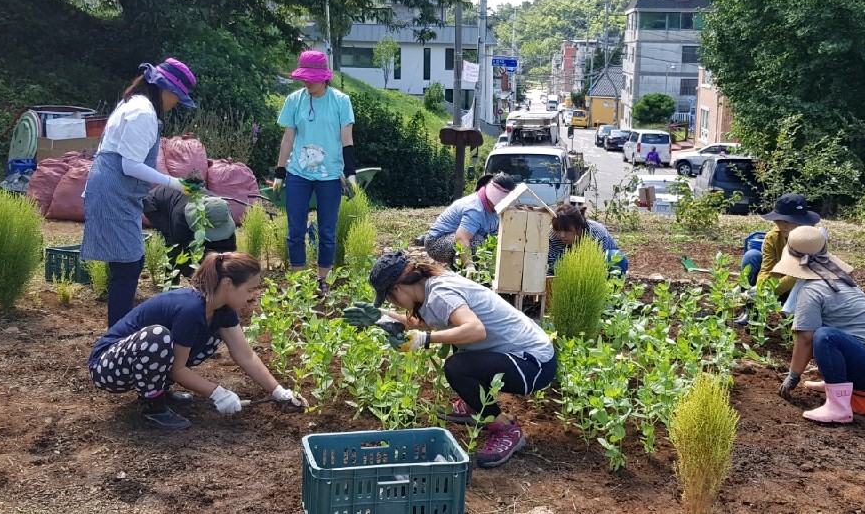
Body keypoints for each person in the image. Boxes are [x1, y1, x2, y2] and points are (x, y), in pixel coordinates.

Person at [343, 251, 556, 468]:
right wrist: (382, 316)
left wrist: (425, 339)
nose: (394, 304)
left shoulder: (441, 293)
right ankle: (475, 405)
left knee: (458, 368)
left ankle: (505, 427)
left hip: (533, 364)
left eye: (390, 299)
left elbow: (475, 330)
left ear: (397, 288)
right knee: (460, 354)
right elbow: (423, 323)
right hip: (520, 357)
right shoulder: (429, 288)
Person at [88, 252, 307, 430]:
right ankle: (153, 407)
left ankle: (160, 391)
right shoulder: (191, 309)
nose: (253, 296)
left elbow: (246, 355)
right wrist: (217, 392)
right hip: (108, 368)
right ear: (228, 283)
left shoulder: (222, 309)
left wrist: (279, 392)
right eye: (250, 290)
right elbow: (177, 369)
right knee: (158, 337)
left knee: (209, 339)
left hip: (136, 364)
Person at [83, 58, 201, 326]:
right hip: (113, 190)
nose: (174, 106)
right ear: (166, 90)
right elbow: (130, 164)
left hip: (115, 189)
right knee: (128, 266)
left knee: (127, 265)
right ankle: (118, 337)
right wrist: (175, 183)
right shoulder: (144, 113)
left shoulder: (135, 104)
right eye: (177, 99)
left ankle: (119, 331)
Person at [774, 227, 865, 423]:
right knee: (828, 333)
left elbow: (805, 339)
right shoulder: (840, 279)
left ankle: (838, 408)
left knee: (825, 337)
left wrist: (793, 377)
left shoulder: (811, 291)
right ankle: (836, 383)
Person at [271, 50, 356, 295]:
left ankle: (322, 280)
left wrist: (350, 172)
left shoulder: (340, 101)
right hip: (298, 174)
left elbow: (346, 138)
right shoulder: (294, 100)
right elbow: (288, 138)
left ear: (324, 77)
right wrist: (280, 171)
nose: (306, 82)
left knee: (327, 230)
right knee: (295, 229)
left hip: (330, 175)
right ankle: (299, 281)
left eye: (311, 78)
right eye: (304, 78)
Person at [419, 173, 517, 275]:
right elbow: (461, 237)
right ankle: (463, 271)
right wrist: (469, 265)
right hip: (437, 243)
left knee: (495, 238)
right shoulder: (475, 209)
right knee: (478, 241)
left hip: (455, 239)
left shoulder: (495, 207)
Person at [143, 186, 237, 279]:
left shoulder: (222, 210)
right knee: (172, 245)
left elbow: (228, 248)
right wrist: (198, 280)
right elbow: (180, 251)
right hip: (155, 205)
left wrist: (226, 272)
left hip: (181, 199)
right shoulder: (181, 216)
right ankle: (171, 283)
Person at [741, 193, 823, 300]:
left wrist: (769, 291)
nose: (781, 226)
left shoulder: (811, 240)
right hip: (778, 281)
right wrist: (759, 288)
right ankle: (745, 299)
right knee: (752, 256)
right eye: (778, 221)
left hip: (802, 286)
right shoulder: (773, 237)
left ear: (800, 221)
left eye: (787, 221)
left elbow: (796, 276)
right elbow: (766, 268)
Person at [547, 202, 627, 276]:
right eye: (558, 231)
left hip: (603, 262)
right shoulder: (553, 233)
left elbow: (597, 266)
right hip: (571, 261)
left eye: (567, 231)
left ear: (579, 228)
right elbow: (550, 266)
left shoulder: (595, 232)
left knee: (614, 257)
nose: (562, 235)